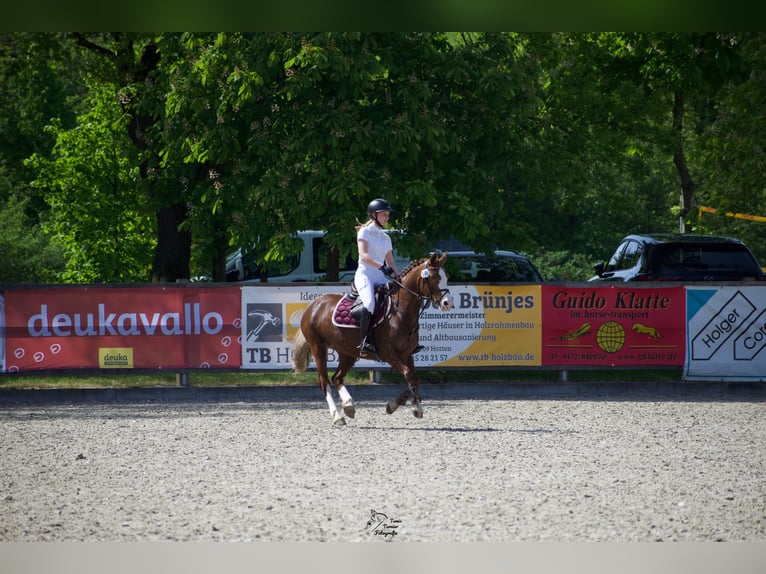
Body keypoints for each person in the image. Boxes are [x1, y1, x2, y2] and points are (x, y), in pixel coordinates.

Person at [355, 198, 399, 355]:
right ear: (374, 215)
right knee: (369, 304)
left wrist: (398, 277)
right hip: (365, 275)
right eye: (384, 215)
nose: (387, 217)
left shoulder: (386, 238)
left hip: (381, 277)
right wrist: (382, 267)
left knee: (398, 301)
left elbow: (391, 262)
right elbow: (364, 256)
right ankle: (365, 342)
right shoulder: (364, 232)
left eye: (388, 215)